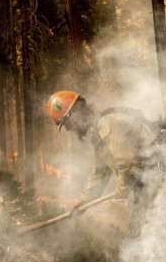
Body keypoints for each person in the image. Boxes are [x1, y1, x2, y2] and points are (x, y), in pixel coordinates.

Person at [46, 90, 157, 237]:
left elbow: (126, 161)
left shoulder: (106, 124)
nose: (68, 129)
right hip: (144, 188)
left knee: (152, 233)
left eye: (66, 123)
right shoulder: (97, 133)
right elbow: (100, 172)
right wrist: (83, 201)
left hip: (157, 180)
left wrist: (122, 192)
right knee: (140, 235)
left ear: (75, 115)